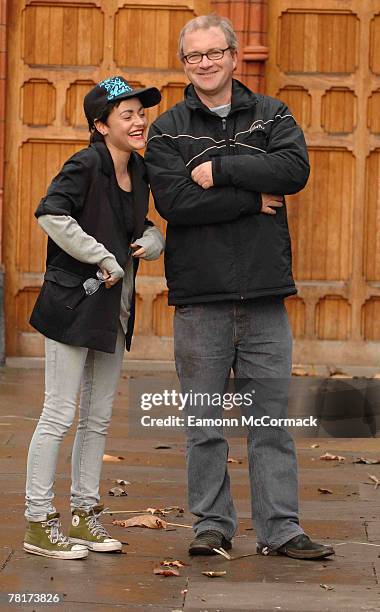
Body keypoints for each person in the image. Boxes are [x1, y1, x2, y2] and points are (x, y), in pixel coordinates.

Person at [145, 15, 334, 560]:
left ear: (233, 57)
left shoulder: (272, 113)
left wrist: (223, 168)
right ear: (185, 63)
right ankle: (212, 524)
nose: (203, 63)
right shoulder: (167, 129)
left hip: (265, 294)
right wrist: (253, 198)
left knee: (271, 422)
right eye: (192, 56)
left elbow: (293, 171)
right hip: (200, 297)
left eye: (213, 53)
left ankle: (280, 529)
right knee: (204, 422)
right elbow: (176, 204)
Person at [24, 76, 164, 560]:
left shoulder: (139, 171)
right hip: (71, 304)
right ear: (101, 125)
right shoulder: (84, 163)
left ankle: (84, 516)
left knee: (98, 419)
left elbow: (138, 224)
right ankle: (39, 522)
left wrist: (151, 239)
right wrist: (102, 256)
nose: (138, 120)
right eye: (126, 114)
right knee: (59, 413)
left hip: (113, 311)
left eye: (140, 112)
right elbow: (51, 214)